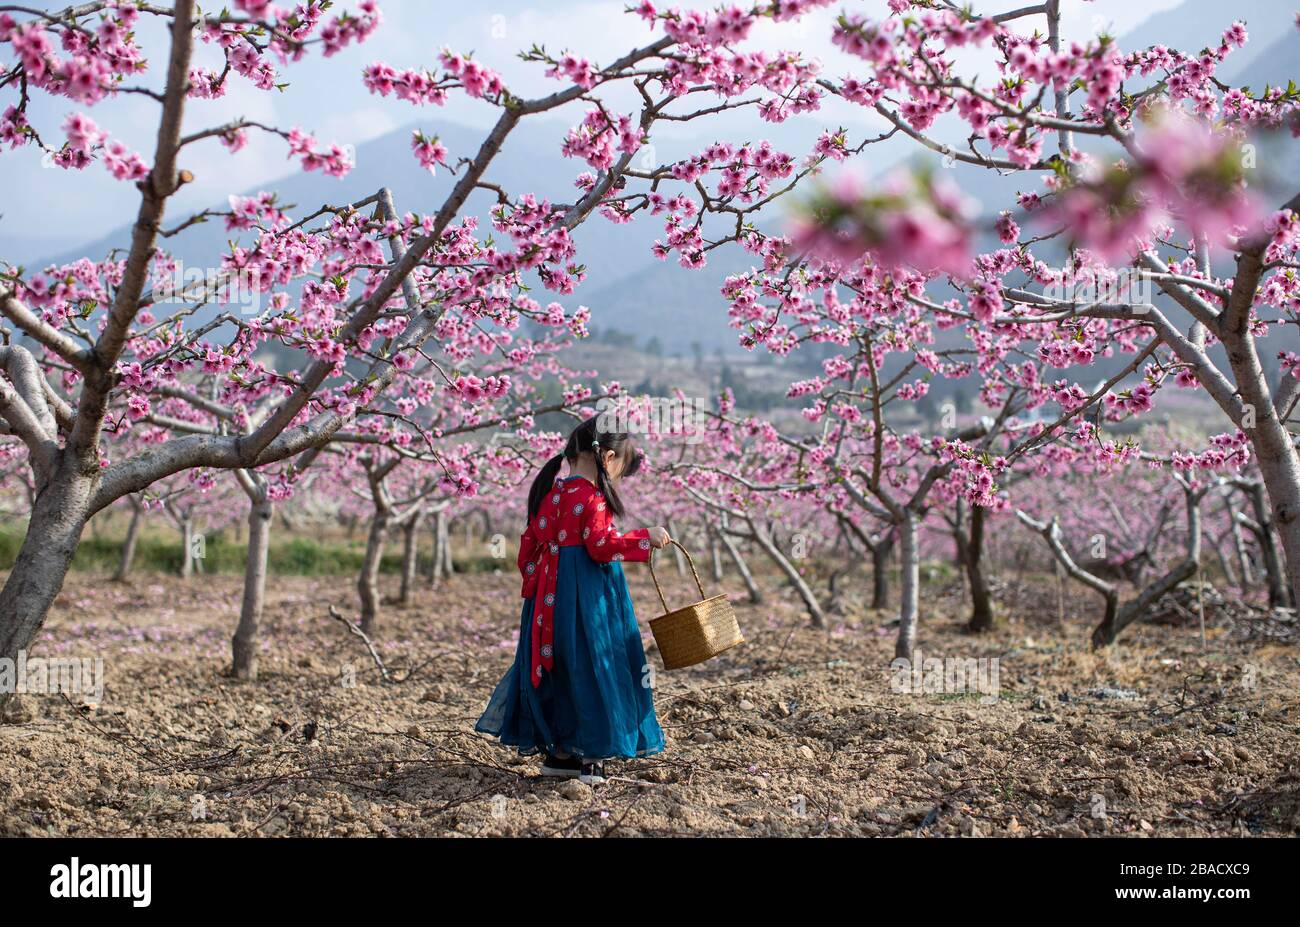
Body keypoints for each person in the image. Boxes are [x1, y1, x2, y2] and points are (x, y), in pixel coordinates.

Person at [475, 417, 670, 784]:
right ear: (608, 457)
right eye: (619, 470)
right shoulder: (592, 498)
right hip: (588, 598)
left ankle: (559, 754)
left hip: (549, 598)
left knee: (560, 663)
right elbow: (600, 546)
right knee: (596, 663)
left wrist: (547, 578)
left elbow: (530, 547)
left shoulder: (550, 493)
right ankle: (592, 757)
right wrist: (645, 538)